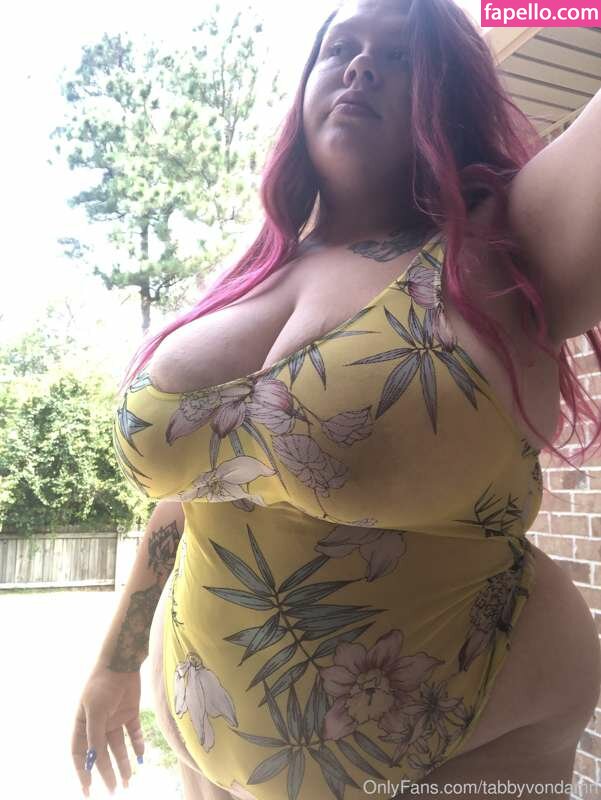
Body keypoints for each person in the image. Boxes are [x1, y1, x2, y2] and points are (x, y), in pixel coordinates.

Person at [72, 0, 601, 798]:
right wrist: (116, 663)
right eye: (340, 47)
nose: (360, 66)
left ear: (452, 91)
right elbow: (192, 494)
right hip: (206, 747)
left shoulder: (509, 241)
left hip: (464, 746)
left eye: (401, 55)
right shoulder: (248, 274)